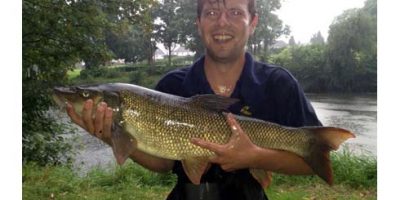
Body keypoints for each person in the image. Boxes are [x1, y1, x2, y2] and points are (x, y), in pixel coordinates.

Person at [66, 0, 322, 199]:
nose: (222, 23)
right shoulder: (171, 86)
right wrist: (110, 134)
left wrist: (255, 158)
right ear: (198, 23)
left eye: (235, 12)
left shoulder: (279, 84)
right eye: (211, 13)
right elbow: (164, 162)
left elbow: (312, 162)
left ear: (253, 22)